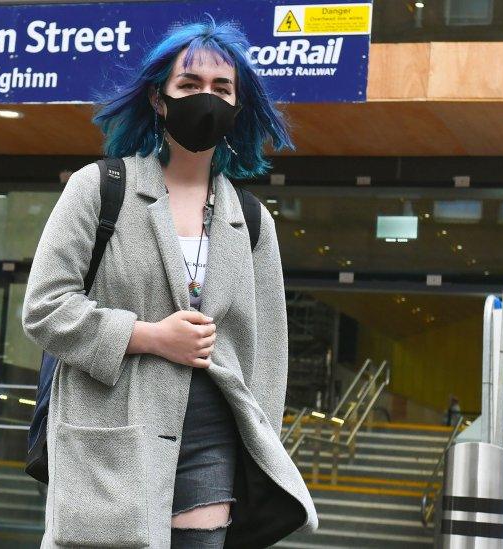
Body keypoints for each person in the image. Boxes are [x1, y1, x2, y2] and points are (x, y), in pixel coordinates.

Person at [21, 13, 319, 549]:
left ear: (237, 104)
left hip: (212, 439)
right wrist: (152, 336)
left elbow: (267, 356)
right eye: (189, 84)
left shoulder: (252, 221)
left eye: (221, 87)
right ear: (160, 98)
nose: (205, 97)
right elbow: (44, 307)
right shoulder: (99, 187)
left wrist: (261, 450)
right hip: (111, 435)